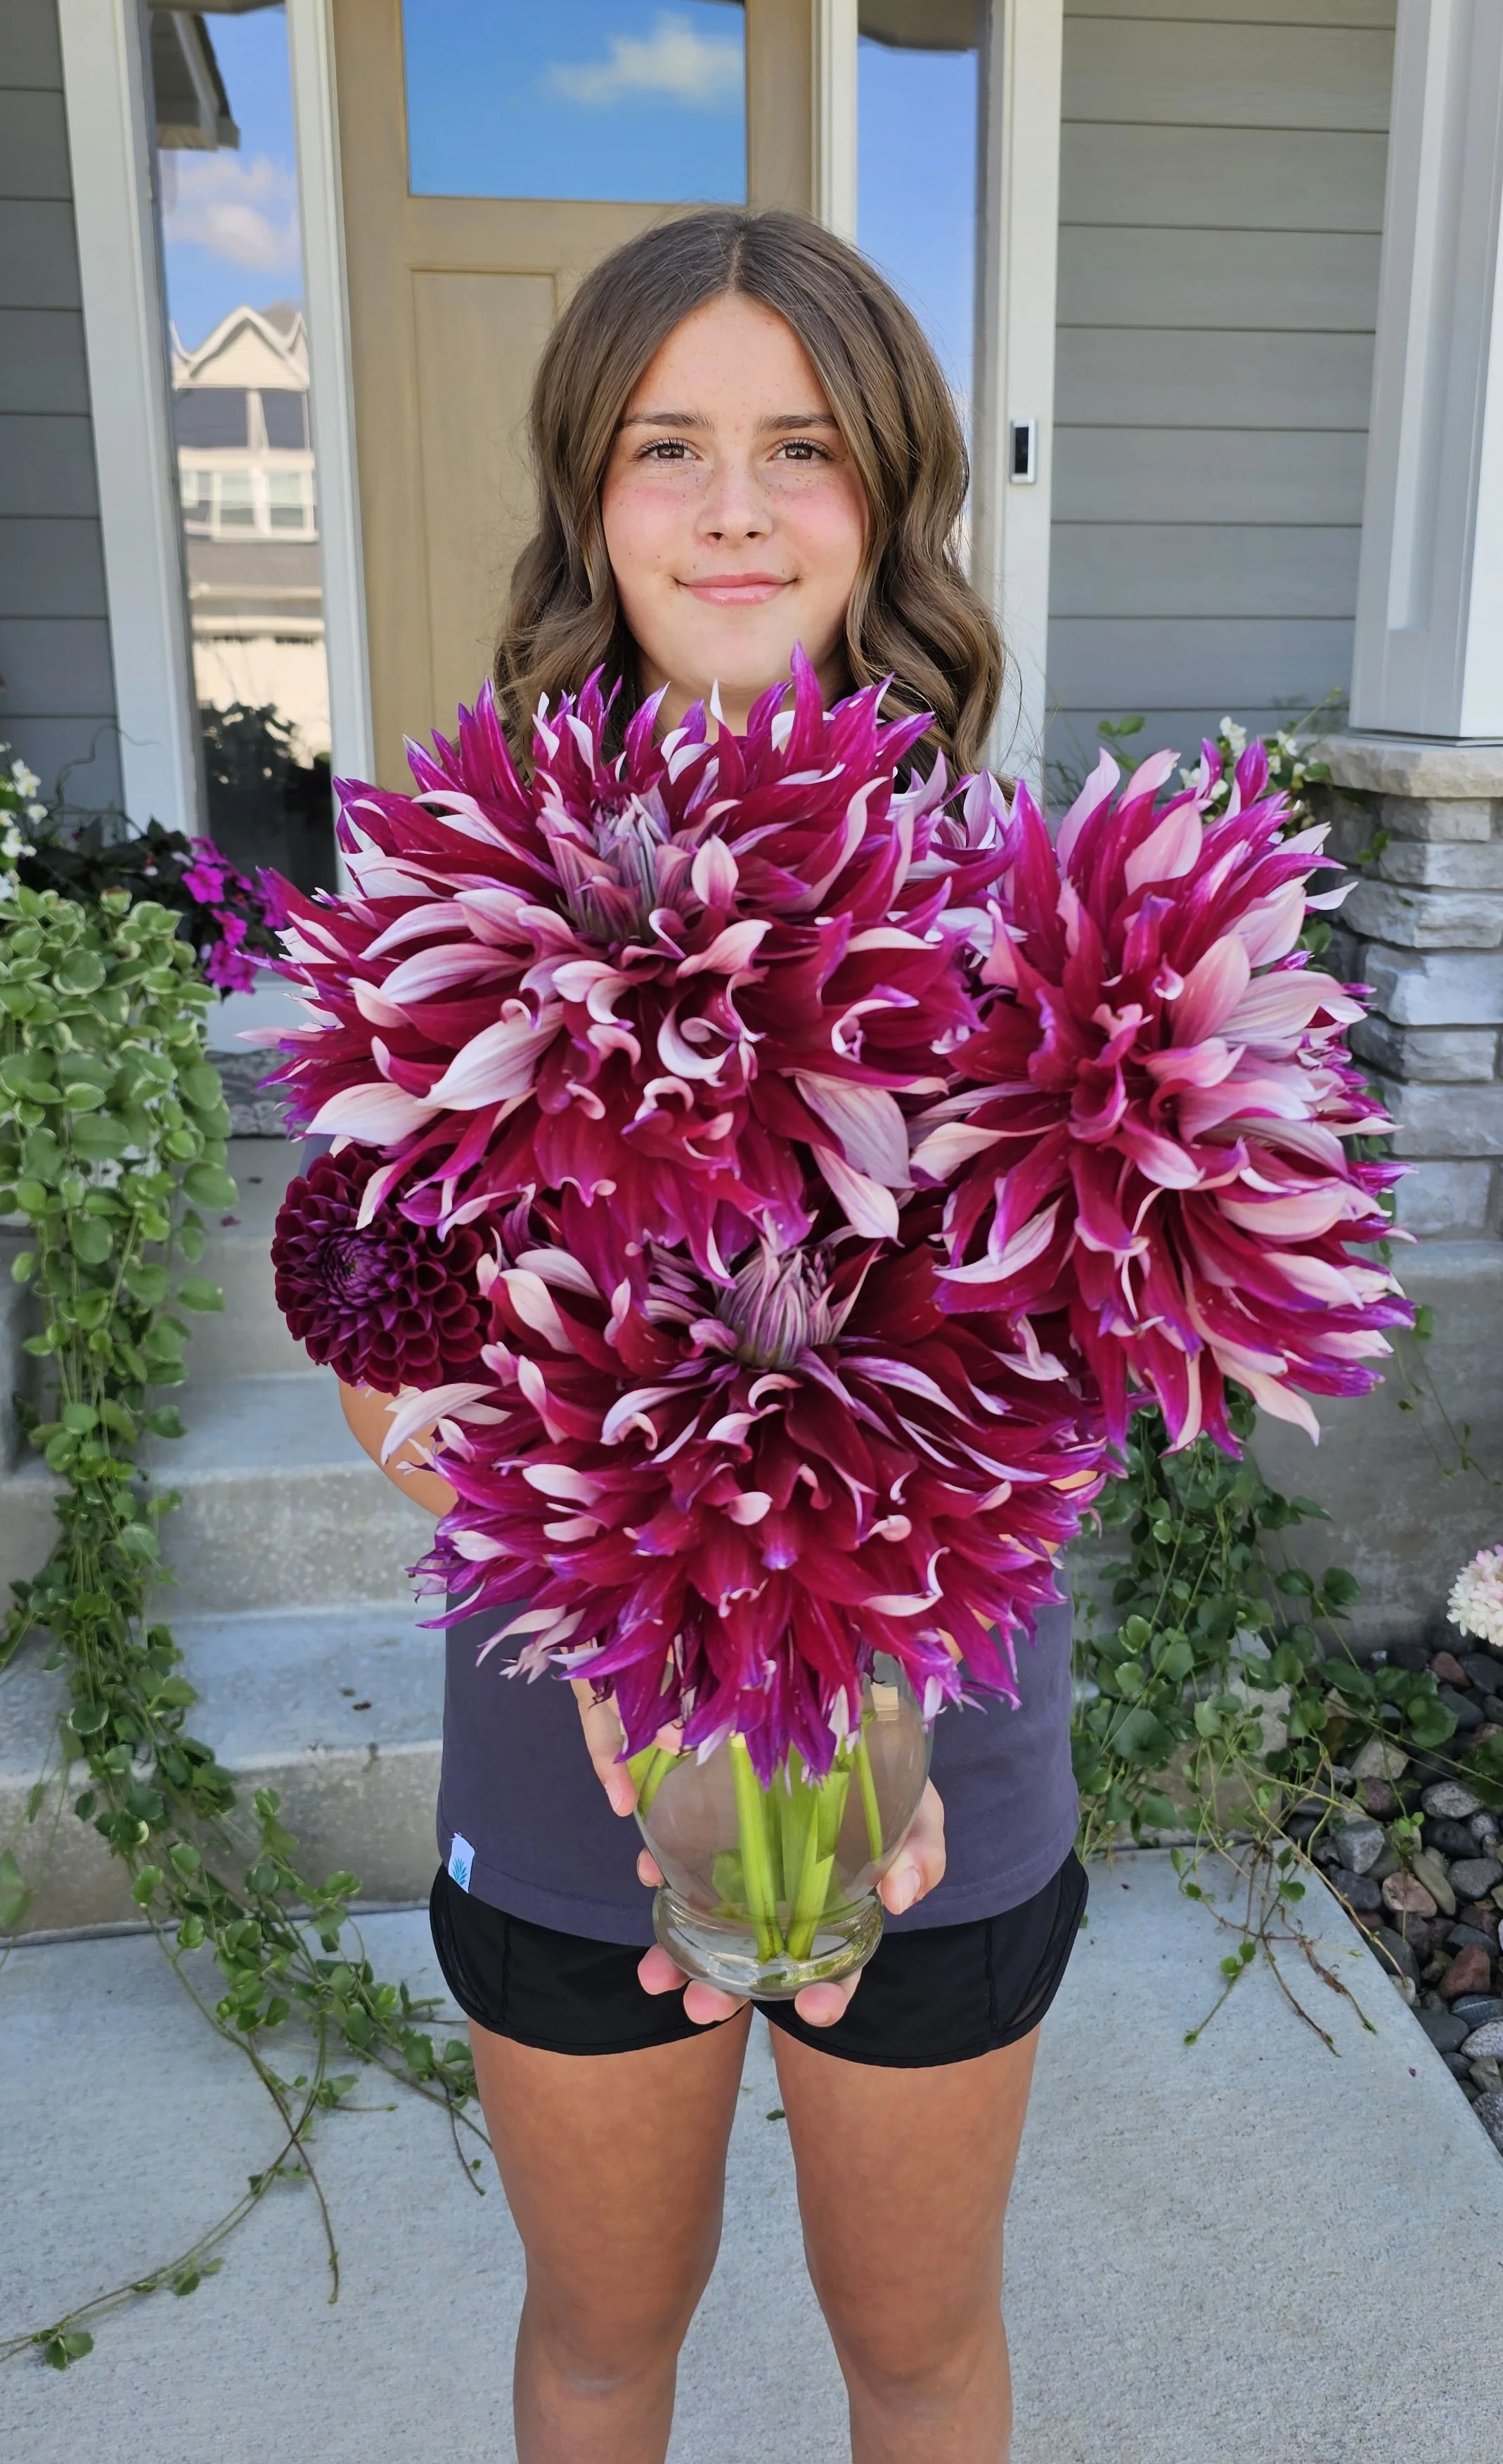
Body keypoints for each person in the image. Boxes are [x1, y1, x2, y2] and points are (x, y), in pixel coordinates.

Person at [338, 209, 1088, 2464]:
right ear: (590, 493)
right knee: (594, 2344)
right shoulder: (461, 880)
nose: (738, 509)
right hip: (571, 1779)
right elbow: (375, 1326)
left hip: (930, 1781)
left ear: (891, 502)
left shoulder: (1027, 900)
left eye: (804, 447)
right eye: (672, 445)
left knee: (920, 2352)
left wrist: (848, 1660)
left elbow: (1082, 1355)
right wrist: (622, 1625)